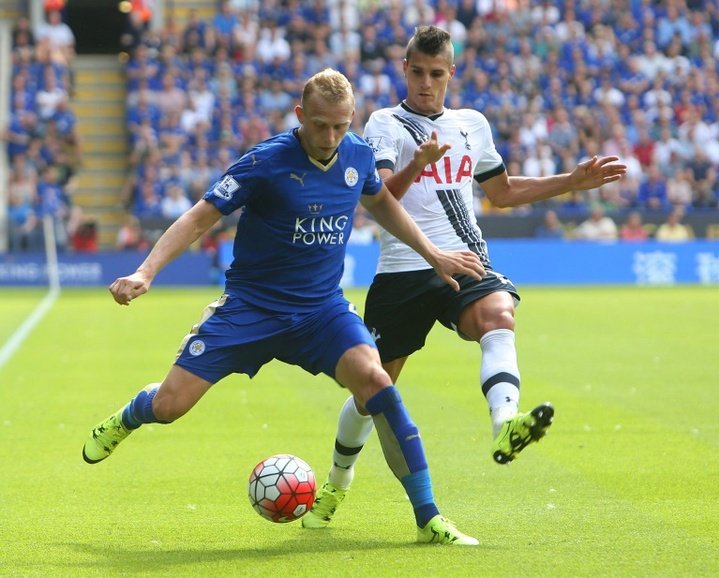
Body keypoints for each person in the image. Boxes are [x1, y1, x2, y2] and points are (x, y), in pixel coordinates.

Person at [81, 69, 485, 546]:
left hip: (321, 312)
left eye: (339, 126)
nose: (330, 137)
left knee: (378, 383)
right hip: (251, 310)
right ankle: (130, 414)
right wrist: (146, 272)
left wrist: (433, 253)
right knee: (169, 407)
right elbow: (199, 216)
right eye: (319, 125)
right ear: (300, 116)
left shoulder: (356, 154)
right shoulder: (265, 162)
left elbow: (381, 204)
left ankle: (428, 517)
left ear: (350, 120)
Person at [302, 26, 626, 529]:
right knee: (373, 392)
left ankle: (505, 423)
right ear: (404, 70)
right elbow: (380, 198)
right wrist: (419, 163)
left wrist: (572, 181)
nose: (426, 83)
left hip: (466, 260)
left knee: (499, 315)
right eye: (417, 72)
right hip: (405, 270)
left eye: (436, 74)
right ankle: (337, 484)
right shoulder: (383, 124)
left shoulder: (472, 124)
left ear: (451, 73)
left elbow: (503, 191)